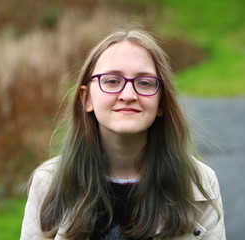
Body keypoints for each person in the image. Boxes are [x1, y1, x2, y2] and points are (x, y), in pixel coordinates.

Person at [20, 27, 226, 240]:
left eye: (144, 83)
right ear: (86, 98)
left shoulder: (198, 182)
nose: (128, 94)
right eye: (111, 81)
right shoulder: (48, 183)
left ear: (161, 102)